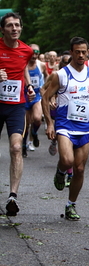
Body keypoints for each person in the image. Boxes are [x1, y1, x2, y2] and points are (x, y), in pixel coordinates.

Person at [42, 36, 89, 220]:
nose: (81, 55)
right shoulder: (60, 75)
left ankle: (71, 205)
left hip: (84, 127)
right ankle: (61, 171)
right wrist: (50, 123)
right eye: (77, 52)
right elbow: (45, 97)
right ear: (71, 52)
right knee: (68, 161)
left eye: (83, 52)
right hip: (65, 125)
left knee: (79, 169)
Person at [0, 12, 35, 216]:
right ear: (2, 29)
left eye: (17, 25)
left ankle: (13, 195)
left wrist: (29, 86)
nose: (14, 28)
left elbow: (23, 69)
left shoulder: (26, 50)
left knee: (15, 147)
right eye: (10, 25)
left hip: (16, 105)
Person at [23, 44, 49, 157]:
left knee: (38, 119)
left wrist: (44, 88)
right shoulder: (23, 64)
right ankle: (24, 145)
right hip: (24, 96)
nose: (34, 54)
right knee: (26, 124)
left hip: (37, 95)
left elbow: (47, 76)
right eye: (32, 52)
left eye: (37, 52)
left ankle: (34, 133)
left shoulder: (41, 65)